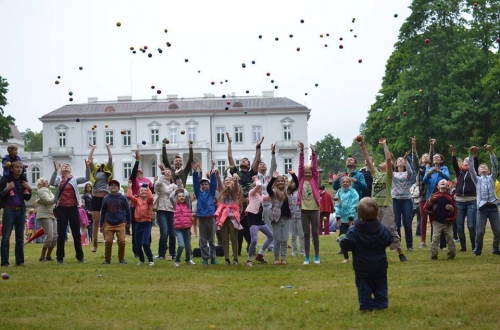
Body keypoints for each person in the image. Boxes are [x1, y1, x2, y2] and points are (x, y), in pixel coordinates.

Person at [357, 136, 407, 262]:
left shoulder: (388, 175)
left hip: (386, 207)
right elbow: (368, 160)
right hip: (374, 208)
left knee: (390, 229)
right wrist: (362, 145)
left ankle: (400, 253)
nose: (383, 162)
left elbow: (389, 158)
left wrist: (384, 144)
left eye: (385, 163)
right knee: (371, 230)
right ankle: (373, 252)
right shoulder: (376, 174)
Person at [339, 197, 394, 312]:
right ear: (377, 213)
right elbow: (389, 239)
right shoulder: (381, 228)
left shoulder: (354, 230)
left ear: (358, 214)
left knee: (364, 286)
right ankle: (381, 303)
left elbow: (347, 245)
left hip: (362, 266)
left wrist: (342, 240)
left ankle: (366, 305)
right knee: (380, 285)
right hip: (379, 265)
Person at [227, 132, 264, 256]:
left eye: (246, 160)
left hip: (249, 205)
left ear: (248, 165)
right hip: (238, 204)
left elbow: (257, 160)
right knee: (238, 228)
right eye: (242, 160)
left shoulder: (251, 172)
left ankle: (250, 247)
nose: (243, 160)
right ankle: (237, 251)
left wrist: (258, 147)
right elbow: (230, 157)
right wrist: (230, 143)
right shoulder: (236, 172)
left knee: (248, 228)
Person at [50, 161, 89, 264]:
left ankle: (80, 257)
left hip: (73, 209)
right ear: (61, 169)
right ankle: (60, 257)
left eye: (67, 165)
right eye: (63, 166)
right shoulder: (59, 179)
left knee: (76, 233)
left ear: (70, 169)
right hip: (62, 209)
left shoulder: (74, 179)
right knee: (61, 234)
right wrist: (55, 171)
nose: (66, 166)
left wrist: (87, 167)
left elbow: (87, 178)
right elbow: (52, 182)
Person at [468, 145, 500, 256]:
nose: (483, 168)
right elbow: (470, 168)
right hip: (481, 209)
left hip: (493, 208)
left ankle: (496, 249)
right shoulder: (476, 180)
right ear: (478, 171)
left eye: (485, 166)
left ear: (489, 170)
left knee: (498, 231)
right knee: (480, 232)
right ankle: (478, 250)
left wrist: (491, 152)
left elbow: (495, 166)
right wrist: (471, 154)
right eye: (481, 167)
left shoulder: (492, 178)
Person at [0, 161, 32, 266]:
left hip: (21, 211)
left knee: (20, 238)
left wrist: (29, 189)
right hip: (9, 211)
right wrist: (6, 189)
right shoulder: (5, 180)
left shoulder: (23, 180)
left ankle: (20, 261)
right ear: (12, 169)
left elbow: (27, 198)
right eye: (17, 167)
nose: (19, 169)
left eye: (21, 167)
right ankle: (5, 262)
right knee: (6, 237)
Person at [450, 144, 478, 252]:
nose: (467, 162)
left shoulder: (474, 173)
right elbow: (454, 165)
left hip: (471, 201)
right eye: (465, 161)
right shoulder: (460, 173)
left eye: (468, 160)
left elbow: (476, 164)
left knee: (471, 226)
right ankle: (463, 247)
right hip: (460, 202)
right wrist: (453, 153)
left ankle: (474, 246)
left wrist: (473, 154)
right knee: (460, 227)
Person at [297, 142, 321, 265]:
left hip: (314, 209)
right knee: (306, 233)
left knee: (315, 233)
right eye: (306, 173)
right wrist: (301, 152)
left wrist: (313, 153)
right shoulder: (301, 179)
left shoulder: (314, 179)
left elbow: (315, 167)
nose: (307, 174)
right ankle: (307, 257)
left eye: (309, 173)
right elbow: (300, 167)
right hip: (304, 210)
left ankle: (317, 255)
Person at [88, 143, 113, 253]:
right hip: (95, 198)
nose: (101, 165)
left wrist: (107, 147)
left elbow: (110, 158)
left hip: (106, 198)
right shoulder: (94, 170)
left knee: (106, 221)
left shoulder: (108, 169)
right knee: (96, 221)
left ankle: (107, 240)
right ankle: (95, 244)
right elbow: (89, 160)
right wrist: (93, 148)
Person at [267, 171, 295, 265]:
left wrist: (293, 174)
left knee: (284, 240)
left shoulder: (288, 192)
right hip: (276, 218)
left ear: (284, 182)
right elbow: (268, 188)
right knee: (277, 240)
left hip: (286, 218)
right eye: (278, 181)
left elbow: (297, 184)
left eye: (281, 181)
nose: (280, 183)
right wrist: (273, 178)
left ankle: (283, 258)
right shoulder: (274, 193)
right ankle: (276, 258)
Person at [424, 179, 457, 260]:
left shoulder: (450, 197)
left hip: (447, 221)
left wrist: (452, 208)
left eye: (445, 182)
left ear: (448, 186)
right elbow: (427, 208)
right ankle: (433, 255)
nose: (443, 182)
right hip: (437, 221)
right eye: (441, 182)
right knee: (435, 237)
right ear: (438, 187)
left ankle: (451, 254)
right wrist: (430, 203)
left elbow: (455, 210)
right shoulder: (434, 196)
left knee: (450, 237)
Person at [129, 150, 154, 258]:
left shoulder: (147, 180)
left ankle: (147, 247)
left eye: (140, 168)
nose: (139, 170)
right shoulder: (134, 180)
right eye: (137, 169)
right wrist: (137, 161)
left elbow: (152, 192)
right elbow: (133, 173)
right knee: (136, 230)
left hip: (147, 207)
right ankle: (136, 251)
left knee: (147, 229)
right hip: (136, 206)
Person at [100, 179, 131, 264]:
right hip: (109, 223)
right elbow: (103, 212)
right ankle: (107, 260)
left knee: (121, 241)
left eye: (115, 186)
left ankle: (121, 259)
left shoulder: (123, 198)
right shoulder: (106, 198)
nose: (113, 187)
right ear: (109, 188)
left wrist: (128, 222)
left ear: (118, 188)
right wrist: (101, 224)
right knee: (108, 241)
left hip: (120, 223)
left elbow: (128, 210)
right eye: (111, 185)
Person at [192, 162, 218, 265]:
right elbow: (195, 184)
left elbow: (214, 183)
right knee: (203, 240)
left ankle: (213, 258)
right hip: (201, 218)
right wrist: (195, 172)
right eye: (202, 184)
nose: (204, 185)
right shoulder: (199, 194)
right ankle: (205, 258)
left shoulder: (211, 193)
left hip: (211, 218)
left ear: (209, 185)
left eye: (206, 184)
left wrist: (212, 170)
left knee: (211, 240)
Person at [411, 137, 434, 248]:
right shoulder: (418, 169)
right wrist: (414, 146)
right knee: (423, 219)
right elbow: (414, 158)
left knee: (434, 219)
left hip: (433, 196)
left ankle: (434, 240)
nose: (425, 157)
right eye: (423, 156)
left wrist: (431, 146)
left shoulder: (433, 168)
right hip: (422, 196)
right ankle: (423, 241)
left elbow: (431, 155)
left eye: (427, 156)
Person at [215, 172, 242, 265]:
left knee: (234, 238)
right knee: (225, 238)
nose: (227, 181)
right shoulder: (222, 191)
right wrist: (218, 175)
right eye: (226, 180)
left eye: (229, 180)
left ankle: (235, 259)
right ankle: (226, 259)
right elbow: (219, 183)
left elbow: (236, 187)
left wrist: (234, 179)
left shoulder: (234, 191)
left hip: (232, 216)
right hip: (222, 216)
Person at [127, 180, 155, 266]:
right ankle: (142, 260)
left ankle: (151, 260)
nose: (143, 192)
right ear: (138, 193)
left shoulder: (149, 201)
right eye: (141, 190)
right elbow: (130, 196)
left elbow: (150, 198)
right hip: (138, 224)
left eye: (145, 191)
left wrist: (148, 189)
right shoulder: (137, 200)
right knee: (138, 244)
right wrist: (129, 187)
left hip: (146, 224)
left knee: (145, 243)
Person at [154, 165, 178, 261]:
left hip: (171, 210)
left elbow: (181, 188)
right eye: (166, 172)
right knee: (164, 233)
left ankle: (173, 254)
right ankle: (161, 254)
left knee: (172, 233)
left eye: (169, 173)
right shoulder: (160, 184)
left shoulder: (173, 186)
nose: (168, 173)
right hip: (161, 210)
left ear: (172, 176)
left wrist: (177, 176)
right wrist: (163, 173)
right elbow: (157, 185)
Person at [256, 144, 277, 252]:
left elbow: (274, 166)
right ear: (258, 167)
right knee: (254, 225)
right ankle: (253, 246)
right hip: (257, 205)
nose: (262, 164)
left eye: (264, 163)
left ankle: (271, 245)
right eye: (260, 164)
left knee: (269, 225)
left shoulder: (269, 176)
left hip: (268, 204)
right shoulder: (255, 176)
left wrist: (273, 154)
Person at [392, 152, 414, 252]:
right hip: (395, 199)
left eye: (402, 160)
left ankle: (409, 246)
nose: (401, 160)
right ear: (396, 164)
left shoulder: (407, 174)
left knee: (407, 223)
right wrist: (391, 159)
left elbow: (410, 171)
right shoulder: (393, 174)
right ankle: (398, 246)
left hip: (406, 200)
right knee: (396, 223)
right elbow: (389, 168)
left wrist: (406, 160)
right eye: (399, 160)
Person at [335, 176, 359, 263]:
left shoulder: (353, 192)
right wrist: (337, 215)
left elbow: (354, 204)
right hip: (342, 219)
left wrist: (351, 216)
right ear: (341, 183)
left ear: (350, 183)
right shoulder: (338, 192)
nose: (345, 183)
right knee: (343, 238)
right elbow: (336, 205)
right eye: (343, 182)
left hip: (351, 219)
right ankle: (346, 258)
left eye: (347, 182)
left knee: (354, 237)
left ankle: (356, 256)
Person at [171, 188, 195, 266]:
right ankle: (177, 260)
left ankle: (188, 259)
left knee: (188, 247)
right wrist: (176, 190)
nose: (181, 198)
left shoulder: (188, 205)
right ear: (176, 198)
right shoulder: (175, 205)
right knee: (181, 245)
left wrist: (183, 189)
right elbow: (171, 197)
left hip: (187, 229)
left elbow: (187, 196)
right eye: (179, 196)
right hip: (178, 229)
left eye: (183, 196)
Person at [35, 177, 57, 262]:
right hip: (44, 215)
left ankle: (48, 256)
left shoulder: (49, 191)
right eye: (45, 180)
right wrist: (57, 195)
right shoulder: (42, 190)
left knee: (55, 236)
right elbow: (48, 201)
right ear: (41, 184)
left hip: (52, 215)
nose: (48, 181)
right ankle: (42, 256)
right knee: (50, 235)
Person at [288, 170, 304, 257]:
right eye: (292, 182)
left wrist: (293, 174)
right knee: (293, 236)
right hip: (291, 216)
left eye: (295, 182)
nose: (293, 184)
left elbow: (297, 182)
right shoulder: (289, 193)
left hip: (300, 215)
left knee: (301, 234)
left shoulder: (300, 191)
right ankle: (294, 251)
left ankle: (303, 251)